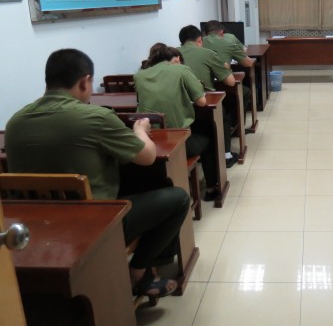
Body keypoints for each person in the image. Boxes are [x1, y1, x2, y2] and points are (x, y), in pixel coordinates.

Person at [5, 49, 189, 298]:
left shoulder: (15, 123)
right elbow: (147, 157)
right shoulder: (96, 117)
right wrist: (140, 130)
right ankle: (139, 273)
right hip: (92, 226)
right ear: (85, 81)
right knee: (177, 198)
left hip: (33, 229)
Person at [135, 43, 219, 200]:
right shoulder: (181, 70)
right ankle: (211, 188)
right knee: (210, 139)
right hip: (178, 142)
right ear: (173, 58)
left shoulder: (139, 75)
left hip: (149, 140)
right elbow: (201, 102)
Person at [178, 25, 239, 168]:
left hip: (181, 108)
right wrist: (226, 68)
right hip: (204, 105)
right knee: (224, 116)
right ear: (200, 40)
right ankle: (226, 155)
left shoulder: (172, 55)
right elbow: (230, 82)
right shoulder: (207, 53)